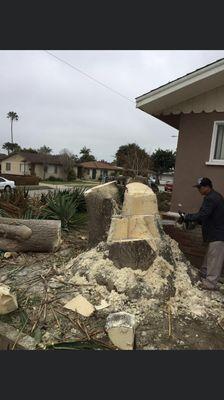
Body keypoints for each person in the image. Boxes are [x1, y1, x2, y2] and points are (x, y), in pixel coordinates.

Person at [180, 177, 224, 290]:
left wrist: (187, 217)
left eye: (200, 187)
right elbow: (204, 215)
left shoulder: (212, 199)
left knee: (215, 260)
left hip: (218, 234)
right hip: (214, 233)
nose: (198, 190)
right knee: (210, 257)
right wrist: (192, 220)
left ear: (207, 187)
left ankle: (210, 283)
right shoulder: (212, 197)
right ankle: (203, 275)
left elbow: (203, 215)